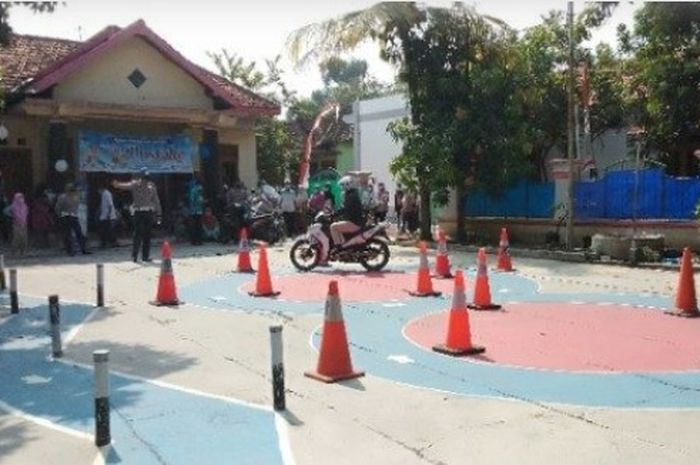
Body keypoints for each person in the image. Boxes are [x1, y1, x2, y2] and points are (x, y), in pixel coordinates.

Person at [112, 168, 161, 262]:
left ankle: (140, 257)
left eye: (146, 178)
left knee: (142, 235)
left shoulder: (144, 185)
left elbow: (156, 201)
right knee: (142, 235)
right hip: (143, 212)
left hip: (144, 213)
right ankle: (139, 256)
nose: (145, 180)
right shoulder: (142, 185)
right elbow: (125, 186)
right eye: (145, 177)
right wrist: (117, 185)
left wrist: (159, 214)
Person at [329, 177, 365, 253]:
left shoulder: (351, 196)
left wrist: (334, 214)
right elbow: (346, 209)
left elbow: (345, 209)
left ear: (347, 185)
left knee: (333, 227)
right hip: (355, 221)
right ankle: (344, 245)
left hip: (354, 222)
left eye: (343, 185)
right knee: (337, 225)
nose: (342, 188)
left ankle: (338, 247)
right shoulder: (352, 194)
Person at [55, 183, 90, 256]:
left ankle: (74, 250)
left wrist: (60, 214)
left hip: (68, 216)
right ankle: (79, 249)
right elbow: (58, 208)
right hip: (70, 217)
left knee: (71, 234)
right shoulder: (74, 196)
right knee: (75, 233)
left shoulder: (64, 197)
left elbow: (58, 208)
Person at [98, 184, 118, 248]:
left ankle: (109, 243)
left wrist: (108, 215)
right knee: (105, 230)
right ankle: (106, 242)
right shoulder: (103, 194)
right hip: (105, 215)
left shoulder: (107, 194)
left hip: (107, 216)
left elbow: (110, 205)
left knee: (107, 230)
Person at [188, 179, 204, 245]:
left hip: (199, 211)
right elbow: (192, 201)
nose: (201, 187)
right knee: (194, 227)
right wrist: (198, 201)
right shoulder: (193, 191)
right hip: (194, 212)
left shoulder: (200, 191)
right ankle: (194, 241)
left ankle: (199, 241)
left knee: (199, 226)